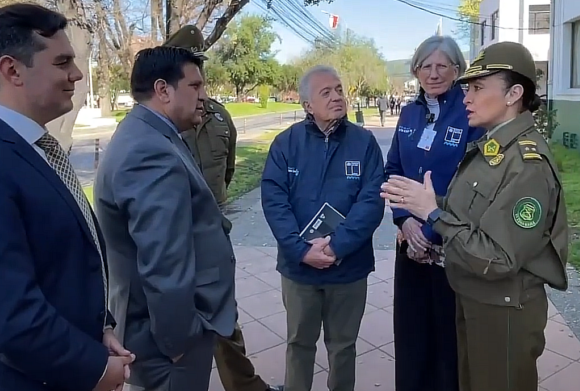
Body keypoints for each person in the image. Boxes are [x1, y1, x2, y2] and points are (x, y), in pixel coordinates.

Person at [0, 3, 132, 391]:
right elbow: (5, 317)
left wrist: (100, 328)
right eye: (62, 62)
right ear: (12, 70)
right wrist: (95, 369)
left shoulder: (33, 146)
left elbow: (63, 265)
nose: (77, 74)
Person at [381, 41, 569, 391]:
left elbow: (499, 257)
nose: (466, 97)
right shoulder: (493, 149)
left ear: (514, 94)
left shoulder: (526, 165)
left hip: (502, 304)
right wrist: (411, 213)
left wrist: (432, 215)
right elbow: (467, 209)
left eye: (477, 88)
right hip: (476, 292)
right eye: (467, 88)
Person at [94, 45, 237, 391]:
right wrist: (180, 343)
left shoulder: (150, 134)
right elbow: (163, 261)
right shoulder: (149, 150)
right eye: (195, 86)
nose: (204, 96)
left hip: (162, 330)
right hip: (168, 340)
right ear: (162, 90)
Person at [168, 26, 283, 391]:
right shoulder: (160, 123)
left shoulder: (219, 117)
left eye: (199, 64)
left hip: (213, 237)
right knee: (177, 326)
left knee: (224, 317)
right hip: (172, 241)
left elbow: (228, 170)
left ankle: (245, 386)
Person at [260, 65, 386, 391]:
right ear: (307, 105)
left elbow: (371, 202)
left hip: (349, 268)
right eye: (325, 93)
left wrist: (336, 247)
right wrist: (302, 251)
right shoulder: (285, 144)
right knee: (299, 343)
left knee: (343, 347)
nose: (336, 97)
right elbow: (275, 202)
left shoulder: (365, 143)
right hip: (299, 269)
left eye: (339, 90)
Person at [386, 35, 484, 391]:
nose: (434, 73)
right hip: (409, 244)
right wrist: (404, 221)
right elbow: (392, 169)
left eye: (443, 65)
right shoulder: (410, 113)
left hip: (449, 247)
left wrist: (428, 232)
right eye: (426, 66)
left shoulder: (471, 113)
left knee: (449, 342)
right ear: (415, 70)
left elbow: (474, 183)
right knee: (411, 337)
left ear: (458, 70)